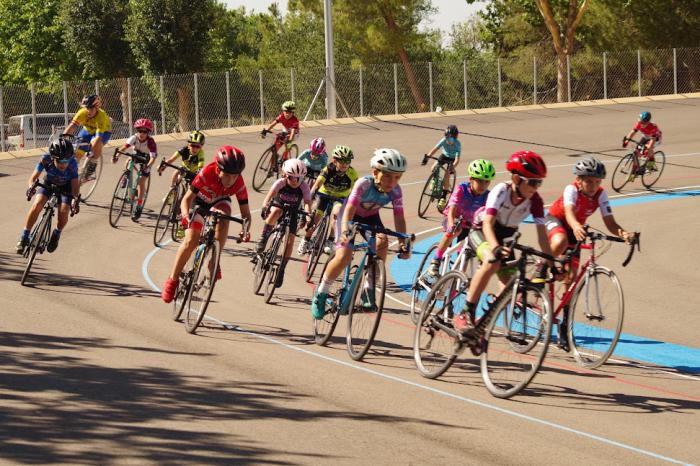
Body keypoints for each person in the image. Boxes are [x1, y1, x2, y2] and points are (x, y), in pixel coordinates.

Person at [453, 150, 553, 332]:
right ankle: (465, 313)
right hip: (482, 231)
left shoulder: (535, 200)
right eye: (532, 182)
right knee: (492, 261)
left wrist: (551, 260)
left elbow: (542, 235)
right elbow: (488, 224)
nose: (536, 187)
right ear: (516, 179)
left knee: (512, 288)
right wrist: (495, 247)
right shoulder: (501, 191)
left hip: (507, 237)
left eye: (539, 182)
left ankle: (482, 324)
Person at [544, 156, 635, 350]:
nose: (593, 186)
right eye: (589, 181)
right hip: (557, 220)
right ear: (579, 180)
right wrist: (576, 225)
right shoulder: (572, 190)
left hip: (577, 230)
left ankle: (564, 328)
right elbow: (568, 212)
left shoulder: (601, 195)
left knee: (571, 281)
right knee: (560, 241)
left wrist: (624, 234)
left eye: (597, 181)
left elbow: (610, 222)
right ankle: (542, 265)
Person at [311, 148, 411, 319]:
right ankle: (321, 292)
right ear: (375, 173)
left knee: (382, 242)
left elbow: (399, 218)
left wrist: (403, 241)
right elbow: (349, 208)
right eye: (387, 176)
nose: (392, 182)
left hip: (371, 218)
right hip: (349, 216)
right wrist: (344, 231)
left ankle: (368, 288)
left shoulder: (396, 191)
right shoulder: (363, 184)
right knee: (344, 256)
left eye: (397, 177)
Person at [161, 146, 252, 303]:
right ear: (218, 169)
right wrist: (184, 216)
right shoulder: (206, 173)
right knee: (191, 239)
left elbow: (246, 214)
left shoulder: (239, 182)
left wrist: (245, 230)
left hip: (219, 201)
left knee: (225, 217)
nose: (231, 180)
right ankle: (173, 280)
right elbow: (186, 200)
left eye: (235, 176)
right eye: (227, 175)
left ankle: (213, 260)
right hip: (199, 201)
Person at [428, 159, 495, 275]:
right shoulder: (462, 188)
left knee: (465, 254)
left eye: (487, 182)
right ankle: (435, 261)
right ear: (471, 179)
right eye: (480, 181)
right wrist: (451, 224)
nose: (483, 185)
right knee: (453, 232)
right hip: (454, 218)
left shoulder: (488, 196)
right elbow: (452, 209)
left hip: (469, 225)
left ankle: (456, 281)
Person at [16, 138, 80, 254]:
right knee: (37, 205)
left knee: (64, 212)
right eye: (60, 161)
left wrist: (74, 200)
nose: (63, 164)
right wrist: (31, 187)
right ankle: (24, 236)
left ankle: (56, 234)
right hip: (48, 184)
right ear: (53, 158)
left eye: (66, 160)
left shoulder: (73, 164)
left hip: (66, 188)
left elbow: (75, 186)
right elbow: (33, 178)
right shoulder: (45, 159)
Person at [255, 159, 313, 288]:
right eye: (292, 177)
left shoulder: (304, 186)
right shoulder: (280, 183)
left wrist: (308, 217)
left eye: (299, 178)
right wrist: (265, 206)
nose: (295, 181)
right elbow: (269, 197)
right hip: (278, 205)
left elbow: (308, 203)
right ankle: (263, 238)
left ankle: (281, 269)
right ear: (285, 175)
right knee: (276, 210)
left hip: (293, 212)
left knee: (290, 242)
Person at [299, 145, 358, 255]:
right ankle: (306, 240)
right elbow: (316, 185)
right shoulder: (328, 169)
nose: (345, 164)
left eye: (348, 161)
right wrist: (310, 197)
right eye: (342, 161)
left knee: (337, 214)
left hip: (340, 198)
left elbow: (356, 191)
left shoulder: (352, 173)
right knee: (314, 220)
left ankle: (330, 240)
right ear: (335, 161)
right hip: (324, 195)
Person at [112, 118, 157, 221]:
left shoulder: (150, 142)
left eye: (144, 131)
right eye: (139, 130)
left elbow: (153, 158)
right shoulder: (134, 138)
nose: (141, 133)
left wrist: (148, 166)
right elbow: (124, 147)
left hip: (147, 158)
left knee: (141, 181)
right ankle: (126, 175)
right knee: (129, 160)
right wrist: (117, 156)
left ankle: (139, 206)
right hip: (137, 154)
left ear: (148, 132)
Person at [63, 94, 112, 180]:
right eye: (86, 108)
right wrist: (63, 140)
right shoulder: (82, 112)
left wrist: (92, 150)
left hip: (104, 132)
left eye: (91, 108)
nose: (88, 111)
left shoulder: (101, 116)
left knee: (95, 146)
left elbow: (98, 137)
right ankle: (70, 173)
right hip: (87, 130)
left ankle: (92, 164)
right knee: (77, 152)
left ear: (97, 107)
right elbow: (72, 126)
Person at [421, 124, 461, 211]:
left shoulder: (457, 145)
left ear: (455, 138)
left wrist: (452, 167)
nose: (448, 140)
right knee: (433, 168)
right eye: (447, 138)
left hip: (452, 159)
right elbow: (434, 149)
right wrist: (427, 157)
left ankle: (443, 196)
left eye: (451, 139)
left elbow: (457, 160)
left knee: (447, 174)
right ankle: (436, 180)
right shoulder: (443, 140)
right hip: (444, 156)